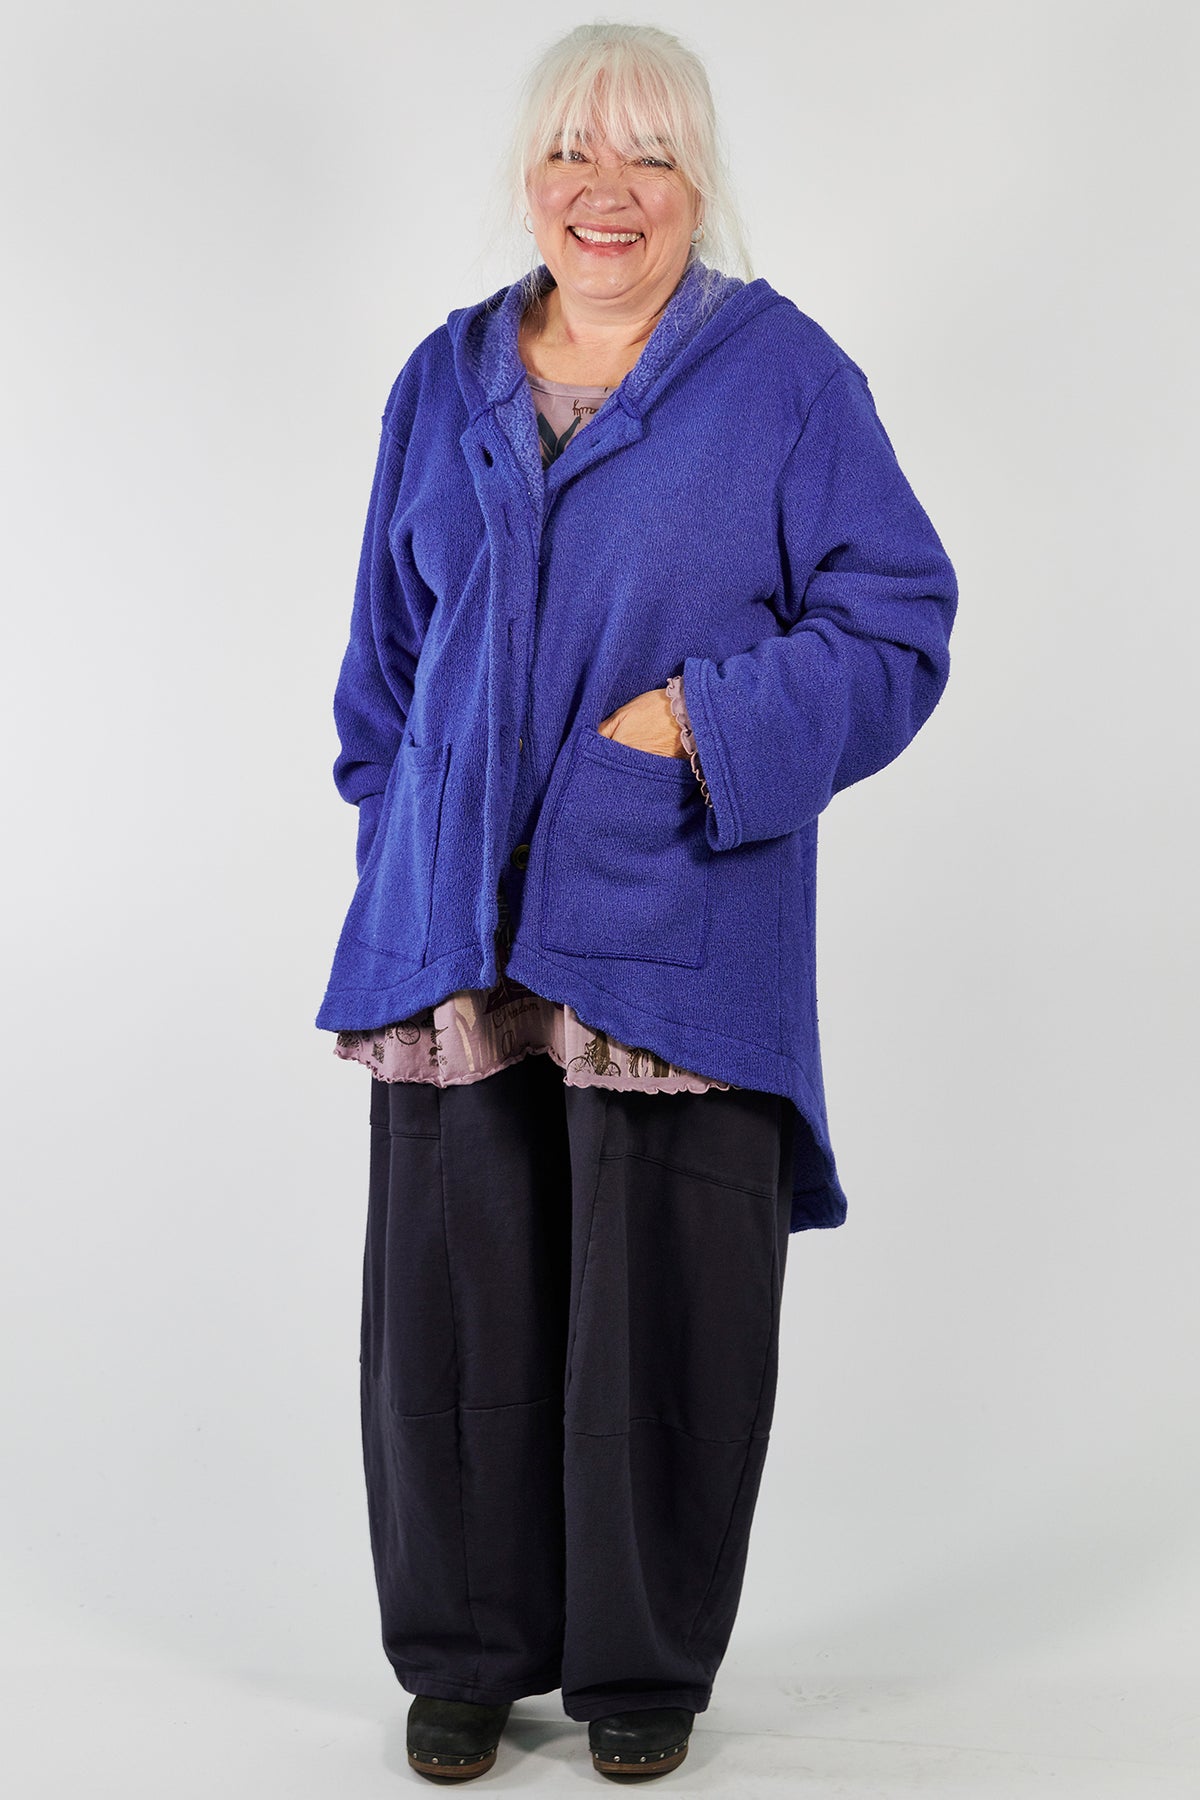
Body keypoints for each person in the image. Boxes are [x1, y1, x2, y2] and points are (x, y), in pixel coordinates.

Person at [314, 20, 958, 1785]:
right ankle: (465, 1657)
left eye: (650, 156)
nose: (606, 191)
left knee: (661, 1320)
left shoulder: (784, 381)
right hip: (454, 941)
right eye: (572, 152)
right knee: (453, 1319)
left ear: (698, 183)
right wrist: (406, 831)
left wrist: (699, 728)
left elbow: (898, 624)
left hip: (674, 922)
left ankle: (641, 1674)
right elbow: (382, 666)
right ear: (529, 178)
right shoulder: (443, 379)